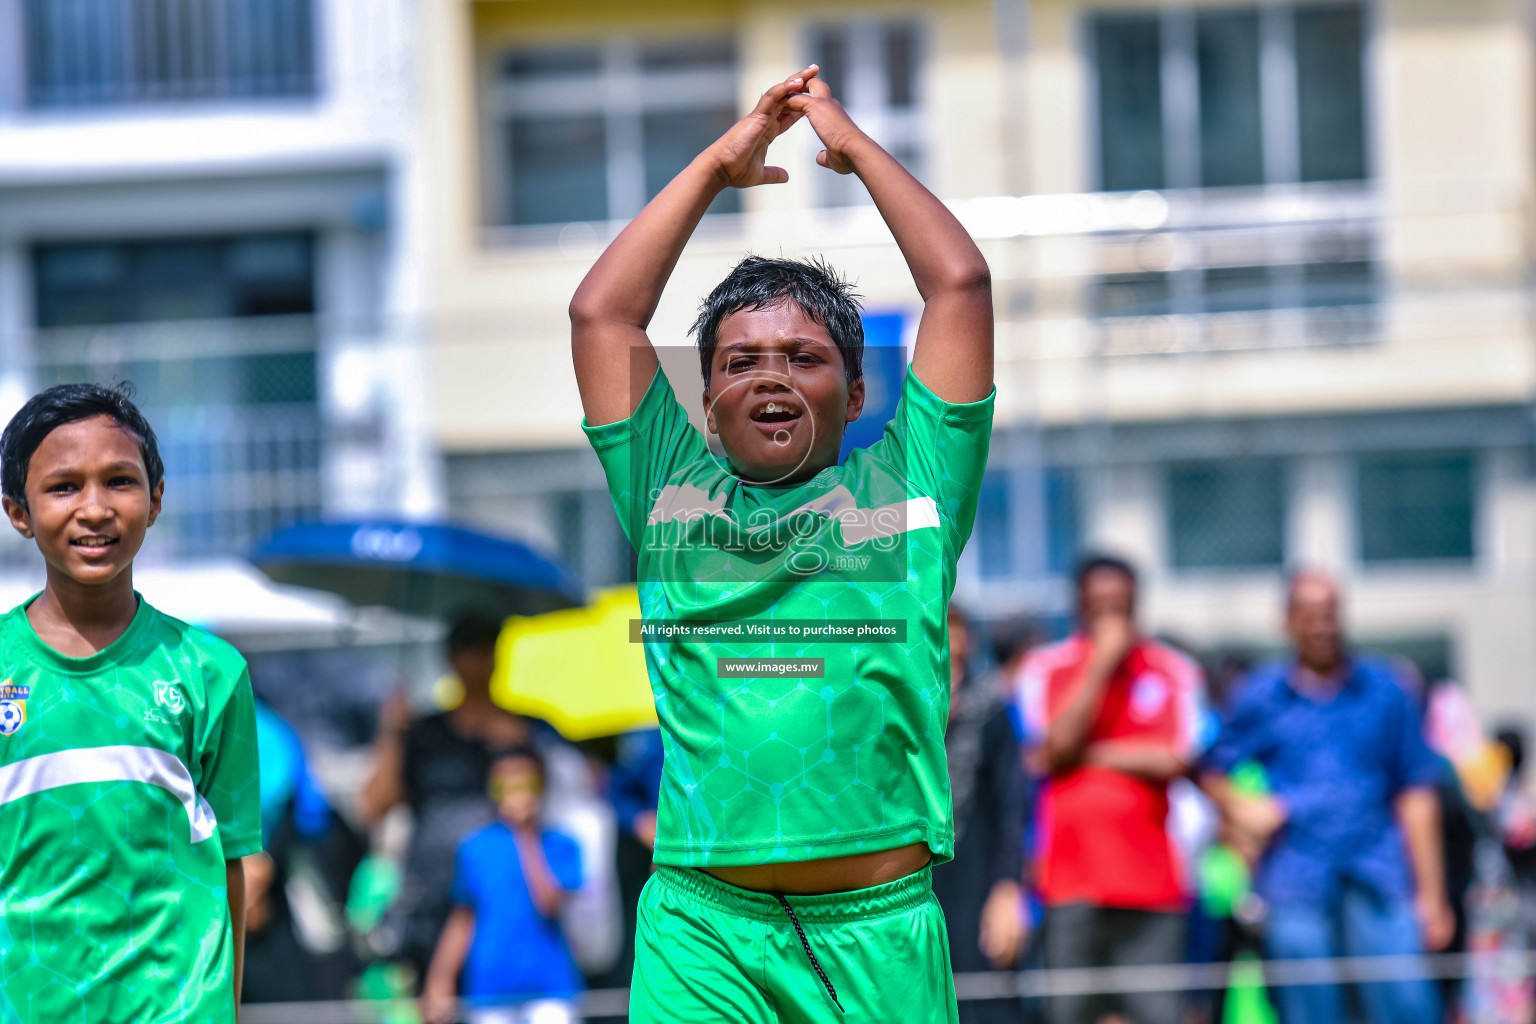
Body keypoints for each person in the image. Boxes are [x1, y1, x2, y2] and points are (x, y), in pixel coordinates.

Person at [570, 63, 994, 1022]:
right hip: (702, 926)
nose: (771, 377)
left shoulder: (916, 482)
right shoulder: (668, 491)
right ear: (705, 408)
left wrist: (852, 150)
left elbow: (959, 283)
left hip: (878, 935)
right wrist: (721, 164)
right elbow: (603, 314)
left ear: (855, 394)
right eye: (738, 363)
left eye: (805, 359)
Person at [0, 383, 262, 1020]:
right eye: (64, 487)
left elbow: (230, 864)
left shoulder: (211, 671)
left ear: (157, 498)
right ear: (18, 512)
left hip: (176, 1008)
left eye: (120, 480)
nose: (95, 508)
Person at [1200, 569, 1454, 1024]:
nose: (1323, 624)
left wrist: (1432, 897)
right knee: (1309, 1011)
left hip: (1379, 872)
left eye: (1331, 612)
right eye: (1310, 614)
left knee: (1407, 1005)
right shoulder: (1262, 694)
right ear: (1288, 622)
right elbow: (1209, 767)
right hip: (1295, 877)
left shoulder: (1386, 691)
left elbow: (1417, 793)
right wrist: (1241, 808)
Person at [1018, 554, 1207, 1024]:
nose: (1110, 617)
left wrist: (1090, 752)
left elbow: (1175, 757)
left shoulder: (1173, 669)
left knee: (1154, 1014)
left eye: (1119, 606)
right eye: (1099, 606)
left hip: (1153, 885)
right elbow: (1051, 748)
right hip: (1069, 882)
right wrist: (1102, 662)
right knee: (1070, 1014)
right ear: (1079, 606)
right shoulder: (1046, 668)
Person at [359, 615, 554, 983]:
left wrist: (523, 747)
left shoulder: (527, 730)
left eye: (487, 650)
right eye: (469, 651)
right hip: (431, 894)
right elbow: (373, 806)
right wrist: (391, 731)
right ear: (450, 659)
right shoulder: (422, 732)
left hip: (503, 896)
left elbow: (551, 803)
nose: (479, 663)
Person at [422, 748, 583, 1024]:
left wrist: (526, 835)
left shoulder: (562, 844)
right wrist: (441, 978)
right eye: (504, 786)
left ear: (541, 787)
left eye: (526, 784)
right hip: (490, 987)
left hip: (549, 986)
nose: (516, 793)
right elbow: (463, 917)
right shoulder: (474, 847)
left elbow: (549, 904)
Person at [934, 606, 1028, 1024]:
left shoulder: (991, 711)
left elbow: (1013, 805)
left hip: (978, 889)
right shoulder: (886, 721)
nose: (951, 673)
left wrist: (1008, 890)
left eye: (959, 661)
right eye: (939, 660)